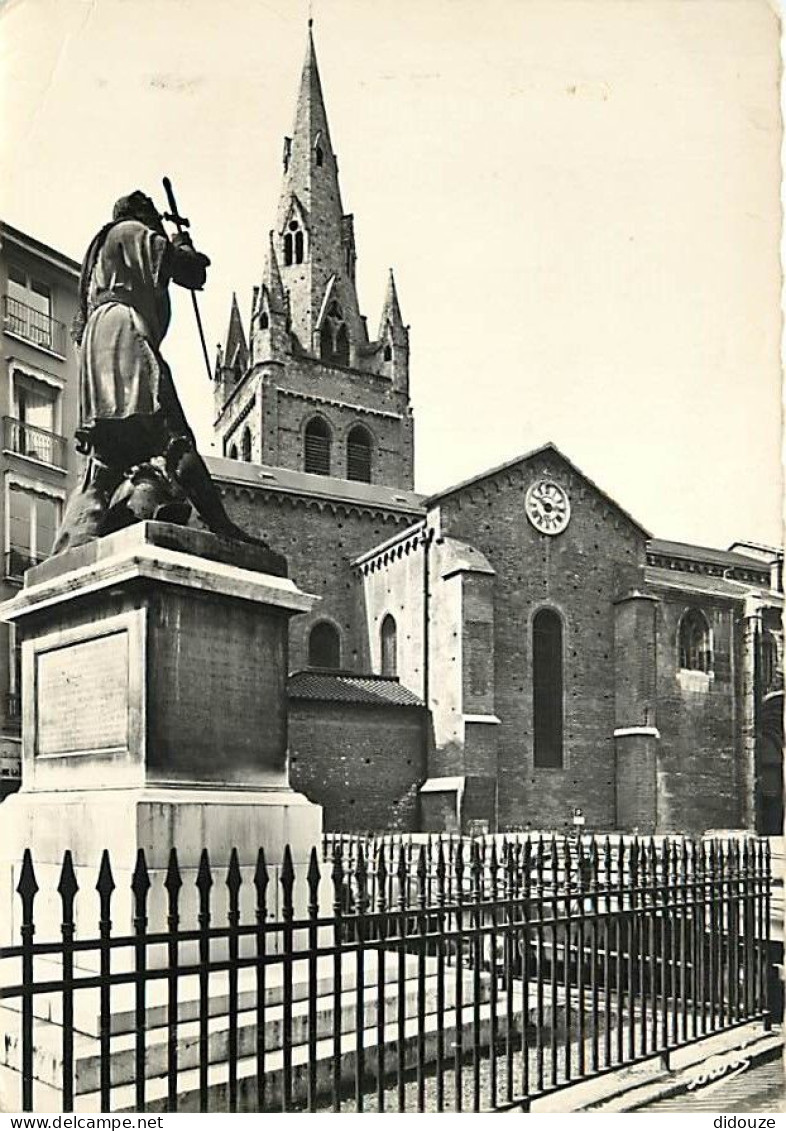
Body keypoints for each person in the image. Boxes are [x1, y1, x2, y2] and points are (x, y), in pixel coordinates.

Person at [52, 191, 286, 576]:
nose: (156, 226)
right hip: (126, 335)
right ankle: (222, 525)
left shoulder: (98, 257)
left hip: (99, 346)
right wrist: (182, 244)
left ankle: (75, 542)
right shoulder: (130, 231)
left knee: (107, 461)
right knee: (173, 435)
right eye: (154, 220)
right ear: (143, 215)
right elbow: (190, 272)